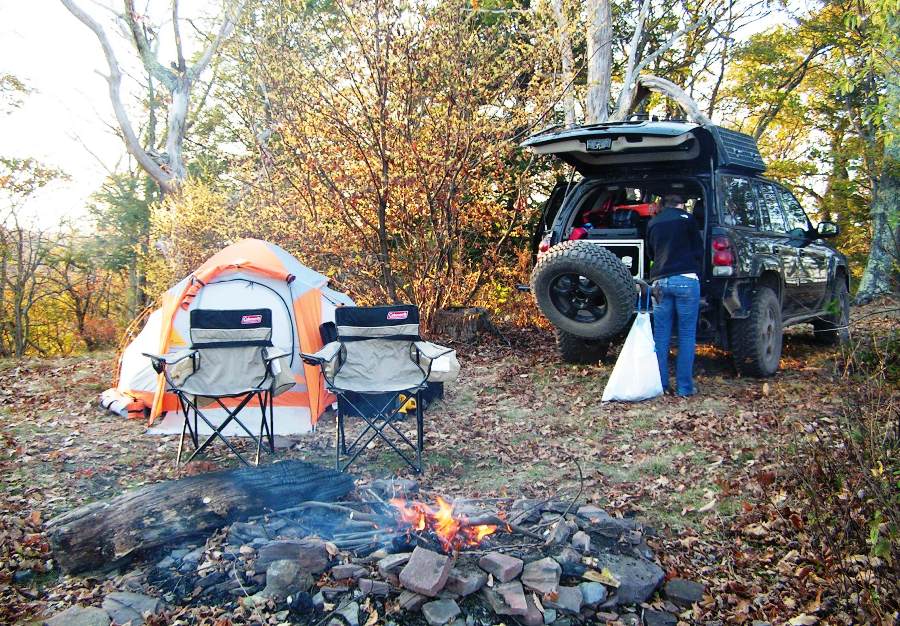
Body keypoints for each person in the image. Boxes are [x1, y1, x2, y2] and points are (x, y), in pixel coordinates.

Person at [646, 193, 704, 397]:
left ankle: (661, 385)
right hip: (686, 281)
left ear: (664, 205)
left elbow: (651, 253)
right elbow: (699, 250)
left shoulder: (653, 223)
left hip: (660, 282)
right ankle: (684, 388)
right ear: (681, 205)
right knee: (686, 334)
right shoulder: (688, 219)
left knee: (661, 336)